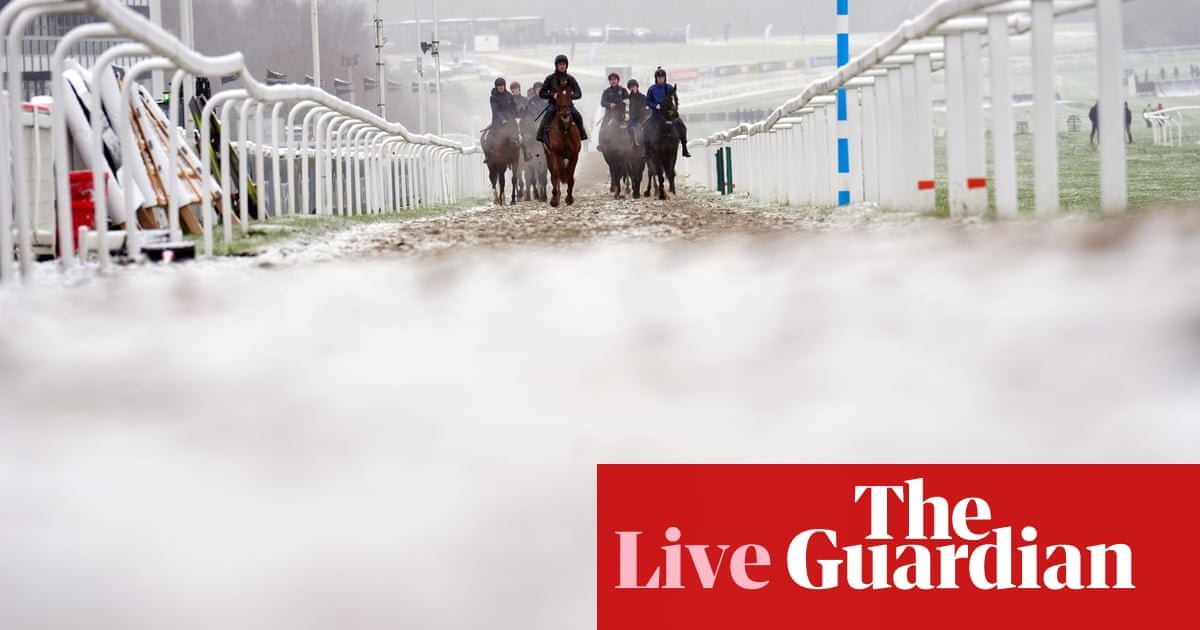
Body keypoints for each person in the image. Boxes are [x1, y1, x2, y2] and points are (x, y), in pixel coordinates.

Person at [536, 54, 587, 143]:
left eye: (564, 64)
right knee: (548, 114)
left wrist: (569, 96)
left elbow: (579, 94)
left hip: (568, 105)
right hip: (554, 105)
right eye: (560, 64)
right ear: (556, 65)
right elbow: (542, 93)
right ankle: (541, 134)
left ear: (566, 65)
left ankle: (582, 133)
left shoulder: (571, 79)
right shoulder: (550, 78)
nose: (562, 66)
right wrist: (553, 95)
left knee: (577, 115)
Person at [645, 67, 691, 157]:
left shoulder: (669, 87)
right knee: (646, 128)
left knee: (682, 126)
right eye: (659, 78)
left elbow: (675, 100)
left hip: (669, 115)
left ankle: (684, 148)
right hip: (657, 114)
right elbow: (648, 101)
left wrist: (674, 109)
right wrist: (655, 106)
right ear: (656, 78)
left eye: (662, 77)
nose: (661, 79)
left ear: (665, 78)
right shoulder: (652, 89)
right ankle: (646, 151)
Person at [597, 72, 629, 151]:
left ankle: (631, 143)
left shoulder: (623, 90)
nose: (613, 81)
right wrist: (609, 104)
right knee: (602, 128)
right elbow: (602, 102)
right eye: (611, 80)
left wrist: (622, 103)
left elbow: (628, 100)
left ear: (618, 80)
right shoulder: (606, 91)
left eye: (615, 79)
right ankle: (601, 144)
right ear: (609, 81)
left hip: (621, 114)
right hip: (609, 114)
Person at [484, 77, 516, 151]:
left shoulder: (509, 96)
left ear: (504, 85)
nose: (501, 87)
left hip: (510, 121)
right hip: (497, 122)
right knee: (489, 139)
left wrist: (513, 116)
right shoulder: (493, 97)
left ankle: (525, 155)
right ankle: (489, 156)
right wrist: (503, 119)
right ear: (496, 87)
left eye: (502, 85)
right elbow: (495, 111)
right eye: (499, 86)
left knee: (520, 137)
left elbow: (513, 107)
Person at [626, 78, 647, 146]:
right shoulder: (628, 98)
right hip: (631, 120)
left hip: (641, 119)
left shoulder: (642, 97)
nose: (632, 88)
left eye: (634, 86)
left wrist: (642, 111)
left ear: (637, 87)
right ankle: (633, 142)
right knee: (629, 128)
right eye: (631, 87)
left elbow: (646, 107)